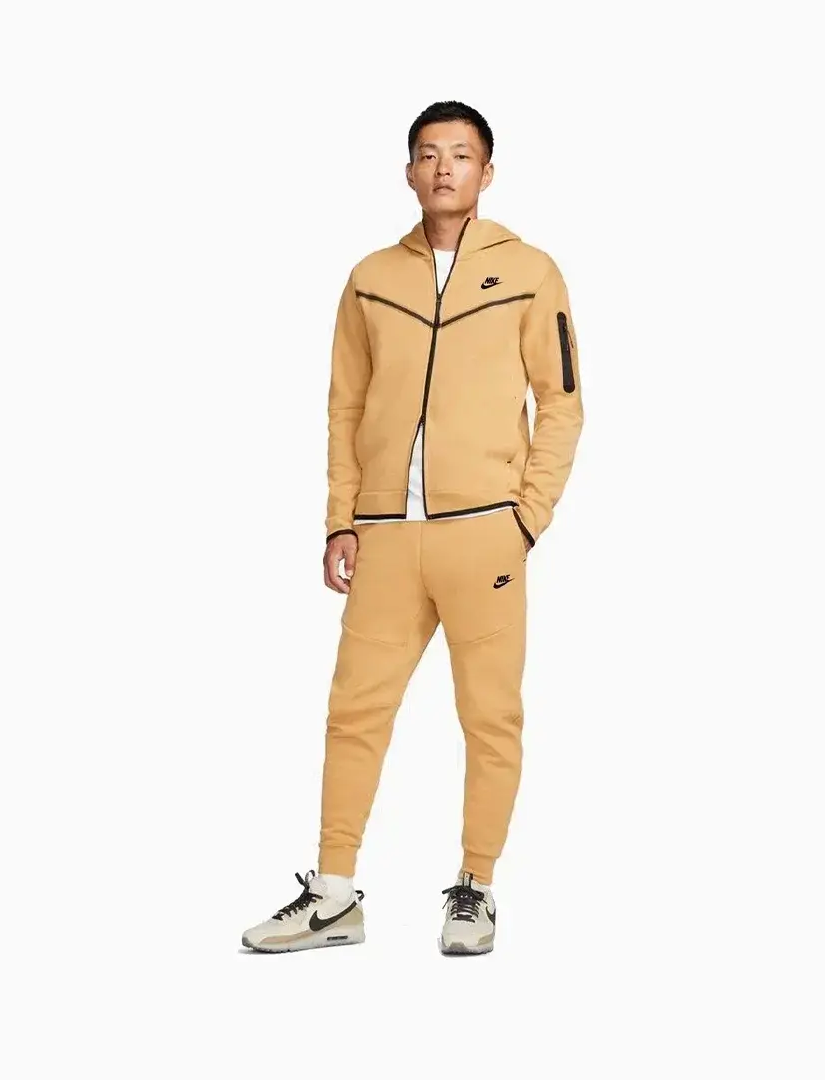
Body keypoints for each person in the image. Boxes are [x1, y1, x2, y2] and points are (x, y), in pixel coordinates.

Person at [242, 101, 584, 955]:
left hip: (485, 536)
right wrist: (342, 520)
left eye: (461, 155)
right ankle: (334, 895)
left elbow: (563, 403)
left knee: (490, 718)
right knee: (354, 711)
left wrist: (526, 519)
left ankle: (476, 890)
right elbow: (344, 406)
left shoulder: (531, 272)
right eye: (429, 154)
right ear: (408, 172)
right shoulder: (370, 278)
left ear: (487, 172)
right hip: (386, 534)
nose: (444, 169)